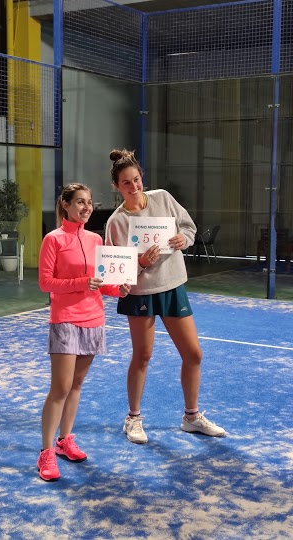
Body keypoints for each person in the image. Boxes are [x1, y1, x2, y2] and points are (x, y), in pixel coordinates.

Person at [105, 149, 225, 444]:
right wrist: (140, 263)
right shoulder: (116, 223)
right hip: (140, 294)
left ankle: (191, 417)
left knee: (194, 354)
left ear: (142, 177)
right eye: (126, 183)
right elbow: (114, 271)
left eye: (136, 179)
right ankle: (133, 419)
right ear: (116, 187)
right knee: (143, 356)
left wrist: (184, 238)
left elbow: (188, 227)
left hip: (172, 287)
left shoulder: (163, 198)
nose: (133, 187)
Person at [37, 183, 131, 481]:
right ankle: (46, 452)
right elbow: (45, 283)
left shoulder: (95, 239)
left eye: (89, 202)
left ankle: (65, 441)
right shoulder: (53, 239)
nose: (87, 207)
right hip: (65, 320)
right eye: (80, 202)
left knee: (76, 385)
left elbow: (101, 283)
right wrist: (80, 282)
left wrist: (118, 289)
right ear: (65, 205)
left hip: (94, 319)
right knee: (60, 388)